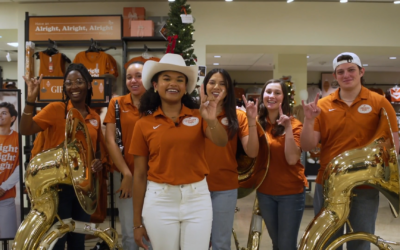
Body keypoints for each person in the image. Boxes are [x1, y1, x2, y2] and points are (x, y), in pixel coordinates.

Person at [300, 52, 399, 250]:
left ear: (361, 72)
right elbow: (307, 146)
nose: (346, 75)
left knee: (360, 242)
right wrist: (309, 120)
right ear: (335, 76)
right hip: (328, 184)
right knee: (327, 242)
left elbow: (394, 145)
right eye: (341, 72)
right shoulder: (322, 105)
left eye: (351, 70)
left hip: (365, 186)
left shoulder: (380, 103)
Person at [130, 53, 228, 250]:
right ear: (156, 85)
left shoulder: (199, 116)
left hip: (197, 198)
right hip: (160, 200)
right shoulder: (143, 125)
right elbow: (139, 175)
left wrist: (210, 119)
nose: (173, 83)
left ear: (185, 88)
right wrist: (137, 223)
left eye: (179, 80)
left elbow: (221, 141)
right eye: (166, 78)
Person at [20, 63, 109, 250]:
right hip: (57, 188)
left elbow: (96, 151)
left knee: (78, 241)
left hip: (83, 189)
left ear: (89, 85)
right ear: (64, 87)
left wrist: (97, 163)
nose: (73, 86)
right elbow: (25, 129)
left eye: (79, 81)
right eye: (68, 83)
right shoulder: (55, 109)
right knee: (56, 241)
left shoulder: (94, 117)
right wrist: (30, 100)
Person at [202, 68, 259, 250]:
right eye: (212, 82)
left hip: (224, 187)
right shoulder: (194, 113)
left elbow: (252, 152)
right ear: (205, 86)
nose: (216, 87)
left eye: (222, 84)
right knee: (197, 242)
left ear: (228, 89)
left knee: (220, 241)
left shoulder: (238, 116)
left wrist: (252, 121)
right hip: (195, 187)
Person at [104, 61, 151, 250]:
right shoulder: (116, 104)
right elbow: (110, 141)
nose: (134, 80)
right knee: (130, 234)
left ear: (146, 78)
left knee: (152, 231)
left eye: (138, 76)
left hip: (154, 177)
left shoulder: (158, 104)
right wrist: (126, 173)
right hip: (125, 176)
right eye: (130, 77)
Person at [255, 79, 307, 250]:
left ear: (283, 98)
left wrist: (288, 129)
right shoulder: (256, 123)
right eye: (268, 92)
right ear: (263, 95)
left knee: (286, 245)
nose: (272, 96)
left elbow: (292, 159)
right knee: (277, 243)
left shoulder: (295, 124)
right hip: (265, 193)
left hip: (290, 194)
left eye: (277, 93)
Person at [0, 102, 19, 239]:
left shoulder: (18, 138)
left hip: (6, 198)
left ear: (13, 118)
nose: (0, 115)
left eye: (4, 113)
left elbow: (19, 168)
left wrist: (3, 187)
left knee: (8, 238)